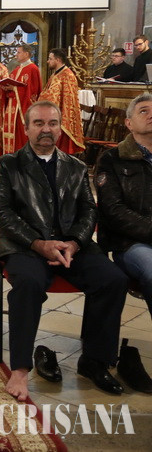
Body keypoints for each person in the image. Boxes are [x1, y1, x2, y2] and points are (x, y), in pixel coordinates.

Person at [0, 100, 128, 402]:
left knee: (113, 280)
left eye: (53, 123)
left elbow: (89, 210)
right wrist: (39, 244)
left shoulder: (75, 166)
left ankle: (95, 361)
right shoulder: (8, 164)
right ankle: (20, 369)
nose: (46, 129)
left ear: (60, 128)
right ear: (26, 128)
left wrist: (76, 242)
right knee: (28, 283)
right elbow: (3, 214)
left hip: (71, 246)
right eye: (39, 123)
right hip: (25, 246)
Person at [94, 93, 152, 393]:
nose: (151, 115)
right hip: (131, 244)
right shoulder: (113, 159)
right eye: (144, 111)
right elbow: (113, 211)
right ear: (128, 123)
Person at [38, 48, 84, 154]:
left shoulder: (68, 75)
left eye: (50, 59)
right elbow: (47, 91)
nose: (48, 61)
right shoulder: (55, 74)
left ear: (58, 60)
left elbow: (58, 96)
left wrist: (42, 98)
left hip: (63, 115)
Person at [3, 44, 41, 154]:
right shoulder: (16, 69)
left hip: (23, 107)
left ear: (26, 54)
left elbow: (33, 90)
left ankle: (23, 157)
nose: (16, 55)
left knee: (21, 133)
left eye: (19, 52)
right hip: (12, 106)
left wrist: (14, 88)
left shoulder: (33, 69)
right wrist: (5, 87)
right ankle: (10, 157)